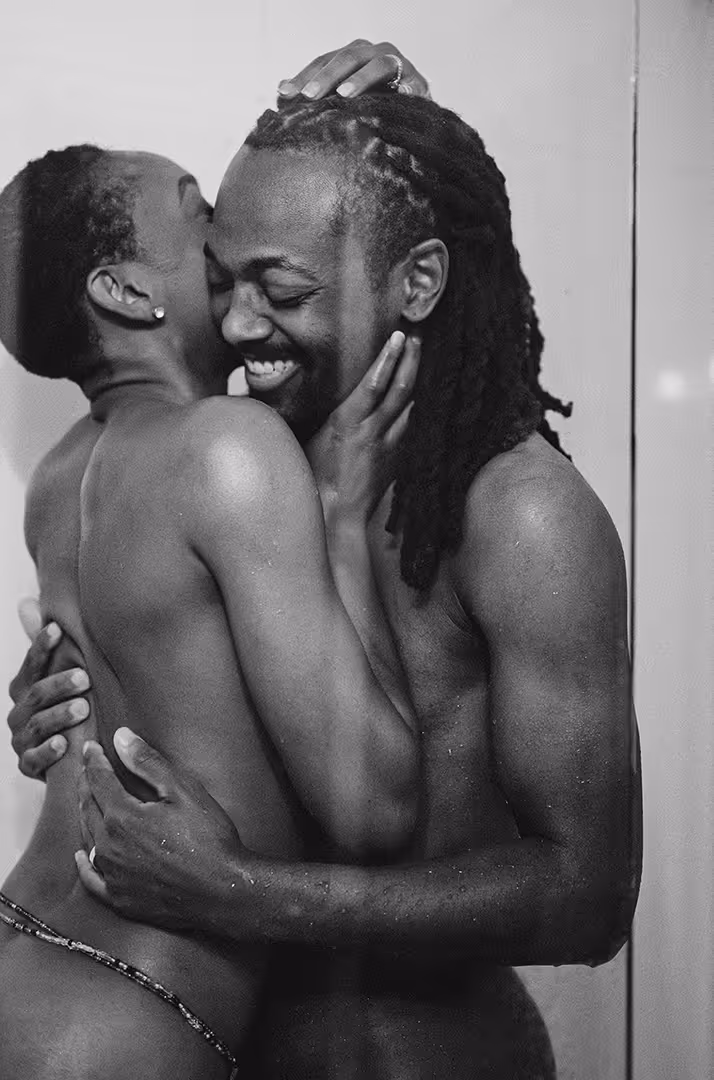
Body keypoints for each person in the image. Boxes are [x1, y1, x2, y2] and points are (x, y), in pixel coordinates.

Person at [9, 91, 642, 1079]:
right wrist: (64, 700)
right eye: (219, 276)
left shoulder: (523, 513)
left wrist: (237, 893)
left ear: (417, 284)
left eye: (281, 289)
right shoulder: (243, 455)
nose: (235, 317)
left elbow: (590, 897)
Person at [0, 46, 428, 1080]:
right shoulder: (231, 450)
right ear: (124, 288)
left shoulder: (61, 478)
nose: (230, 230)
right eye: (196, 214)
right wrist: (341, 518)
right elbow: (374, 806)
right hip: (112, 1017)